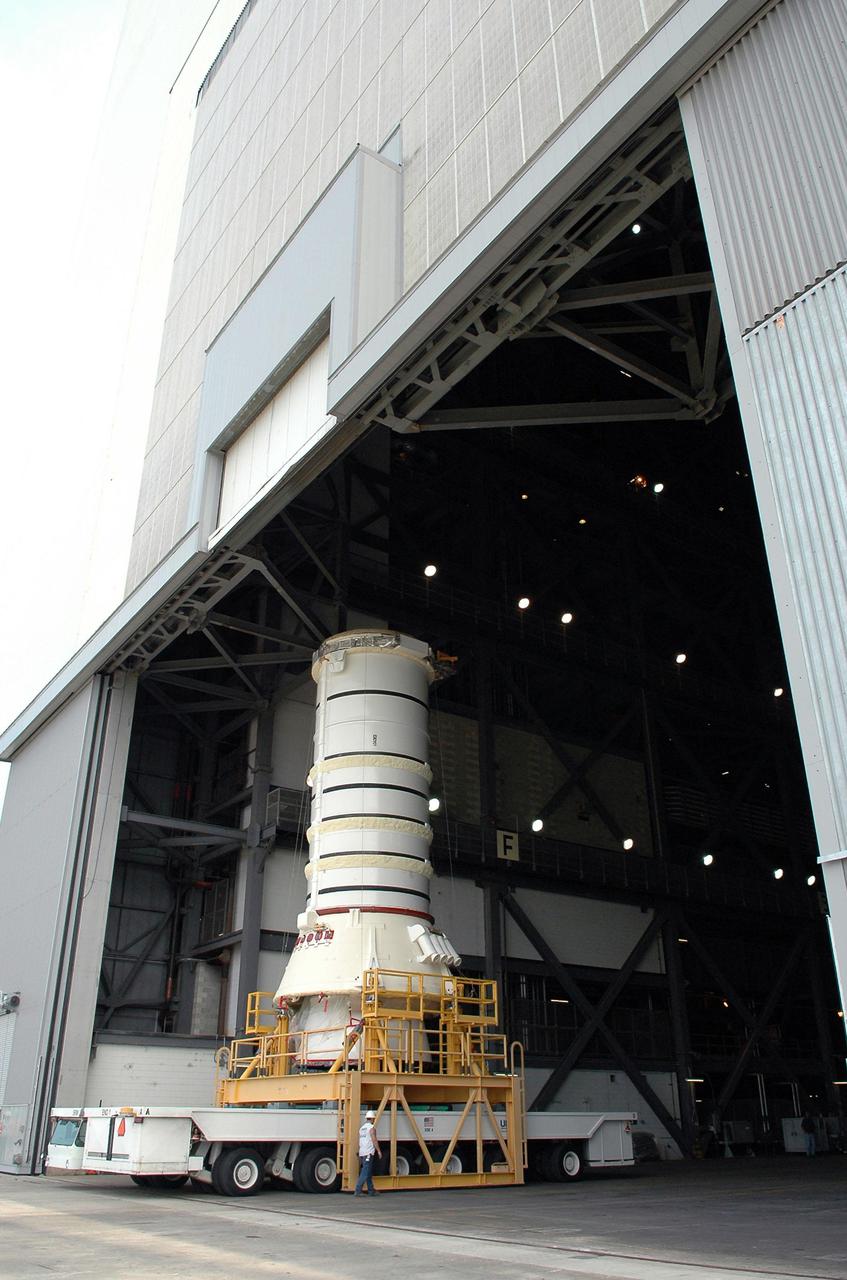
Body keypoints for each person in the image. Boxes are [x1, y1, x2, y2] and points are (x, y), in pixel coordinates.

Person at [354, 1109, 382, 1195]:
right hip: (368, 1152)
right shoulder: (371, 1128)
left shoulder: (361, 1128)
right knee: (365, 1172)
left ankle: (371, 1190)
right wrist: (379, 1151)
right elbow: (374, 1140)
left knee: (368, 1171)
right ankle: (358, 1190)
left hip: (362, 1152)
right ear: (373, 1119)